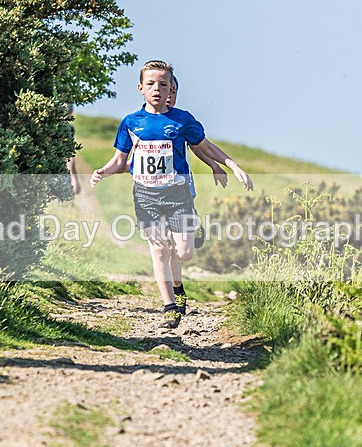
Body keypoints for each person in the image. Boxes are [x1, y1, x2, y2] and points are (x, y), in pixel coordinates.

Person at [90, 60, 252, 328]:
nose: (157, 89)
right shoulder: (131, 122)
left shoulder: (182, 120)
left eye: (163, 85)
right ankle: (170, 306)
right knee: (159, 249)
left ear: (171, 91)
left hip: (178, 195)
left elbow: (205, 147)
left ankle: (180, 278)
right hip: (145, 195)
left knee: (185, 253)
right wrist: (102, 172)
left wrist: (232, 166)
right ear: (140, 88)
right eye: (151, 84)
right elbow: (120, 160)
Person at [166, 74, 253, 317]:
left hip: (182, 192)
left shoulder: (181, 120)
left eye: (173, 90)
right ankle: (176, 293)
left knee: (180, 250)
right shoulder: (143, 122)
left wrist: (221, 165)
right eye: (165, 89)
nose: (169, 95)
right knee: (165, 247)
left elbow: (199, 146)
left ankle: (192, 221)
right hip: (152, 195)